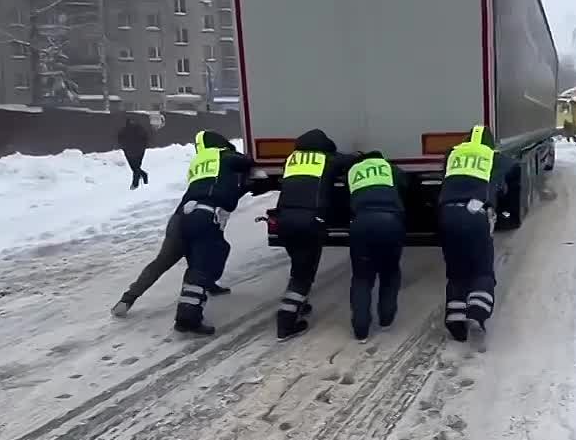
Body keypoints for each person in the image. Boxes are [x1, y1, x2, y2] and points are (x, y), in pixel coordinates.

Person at [273, 128, 359, 341]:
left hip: (284, 221)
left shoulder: (291, 160)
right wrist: (358, 155)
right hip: (309, 221)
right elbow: (350, 160)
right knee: (304, 273)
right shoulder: (327, 159)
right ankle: (286, 322)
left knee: (298, 264)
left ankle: (298, 305)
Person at [173, 129, 256, 336]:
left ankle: (206, 285)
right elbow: (246, 162)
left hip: (187, 215)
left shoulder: (199, 161)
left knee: (216, 251)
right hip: (205, 216)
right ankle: (187, 318)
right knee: (203, 265)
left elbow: (219, 185)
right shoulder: (223, 156)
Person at [436, 125, 514, 342]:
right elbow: (510, 172)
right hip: (475, 213)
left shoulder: (453, 153)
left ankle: (455, 323)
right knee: (482, 270)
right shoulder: (494, 157)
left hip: (447, 214)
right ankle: (477, 314)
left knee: (456, 271)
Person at [109, 204, 231, 318]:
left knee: (162, 262)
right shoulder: (228, 184)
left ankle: (126, 300)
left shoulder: (200, 183)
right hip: (202, 220)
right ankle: (198, 295)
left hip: (179, 218)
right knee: (205, 257)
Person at [346, 151, 410, 341]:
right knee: (389, 272)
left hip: (362, 222)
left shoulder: (354, 171)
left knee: (362, 276)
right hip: (390, 222)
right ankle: (386, 319)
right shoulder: (389, 168)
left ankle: (361, 329)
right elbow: (406, 184)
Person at [118, 116, 151, 190]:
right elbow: (145, 138)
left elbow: (120, 138)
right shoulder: (139, 129)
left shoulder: (125, 130)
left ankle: (135, 184)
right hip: (138, 151)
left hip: (131, 152)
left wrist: (124, 147)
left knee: (135, 168)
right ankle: (143, 176)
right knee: (136, 168)